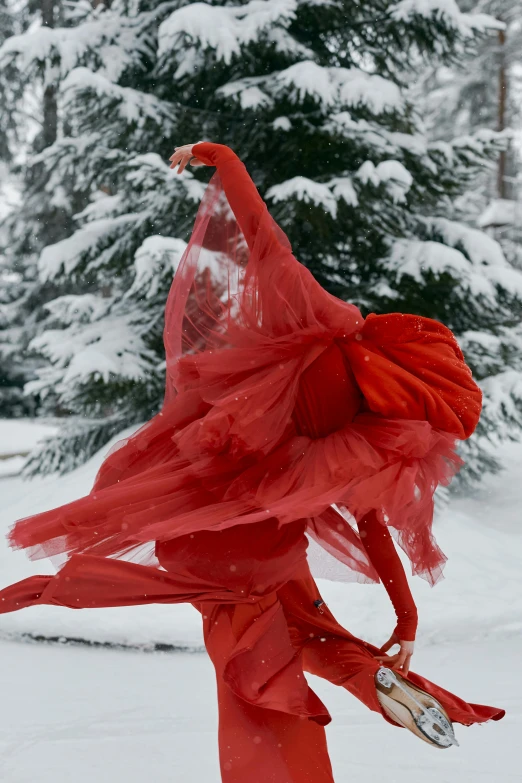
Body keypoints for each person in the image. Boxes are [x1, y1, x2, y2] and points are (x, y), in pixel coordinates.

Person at [0, 141, 504, 782]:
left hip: (214, 538)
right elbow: (374, 523)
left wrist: (226, 161)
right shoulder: (371, 429)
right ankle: (376, 679)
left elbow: (266, 241)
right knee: (298, 629)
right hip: (271, 547)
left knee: (254, 677)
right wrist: (405, 615)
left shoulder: (322, 322)